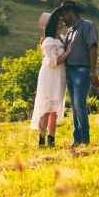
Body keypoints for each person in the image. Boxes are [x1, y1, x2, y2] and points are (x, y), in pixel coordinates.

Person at [49, 0, 98, 147]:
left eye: (64, 15)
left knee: (79, 105)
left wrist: (93, 71)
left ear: (70, 12)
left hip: (82, 71)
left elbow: (93, 47)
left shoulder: (86, 26)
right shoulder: (70, 31)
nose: (63, 19)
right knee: (74, 107)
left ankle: (85, 137)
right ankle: (77, 138)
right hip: (70, 72)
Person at [30, 12, 74, 147]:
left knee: (55, 109)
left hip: (59, 75)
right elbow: (52, 62)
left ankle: (52, 140)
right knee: (46, 109)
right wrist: (67, 52)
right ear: (53, 25)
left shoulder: (61, 38)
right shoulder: (48, 41)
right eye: (59, 20)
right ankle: (41, 140)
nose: (62, 21)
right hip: (49, 75)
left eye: (61, 19)